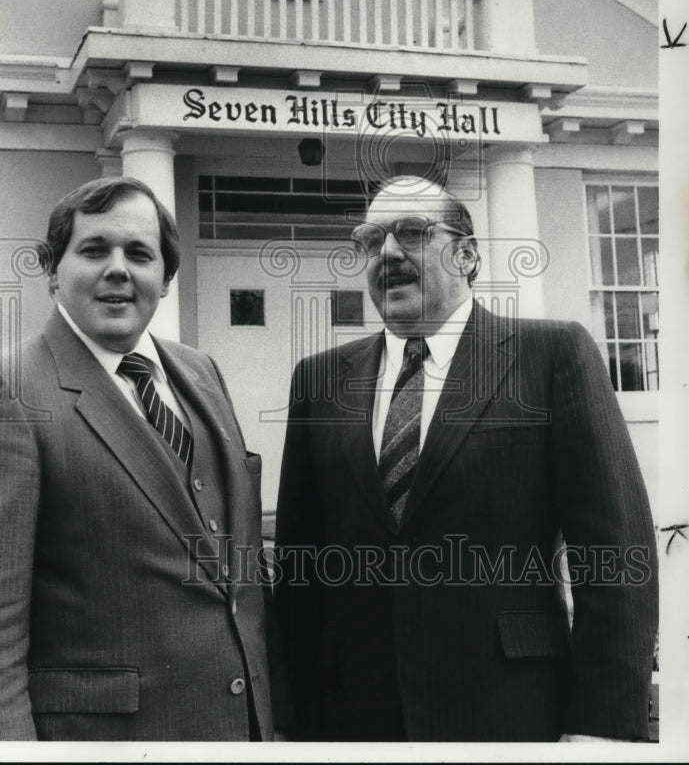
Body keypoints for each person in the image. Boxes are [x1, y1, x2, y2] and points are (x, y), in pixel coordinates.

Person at [275, 175, 657, 742]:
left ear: (467, 254)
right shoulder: (320, 379)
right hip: (354, 718)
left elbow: (616, 552)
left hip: (509, 711)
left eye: (411, 233)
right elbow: (299, 567)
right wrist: (289, 721)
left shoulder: (550, 356)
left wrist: (601, 729)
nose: (388, 253)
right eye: (370, 238)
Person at [0, 176, 273, 741]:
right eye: (94, 250)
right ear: (51, 271)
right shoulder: (0, 392)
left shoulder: (202, 373)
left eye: (139, 254)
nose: (118, 269)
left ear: (165, 279)